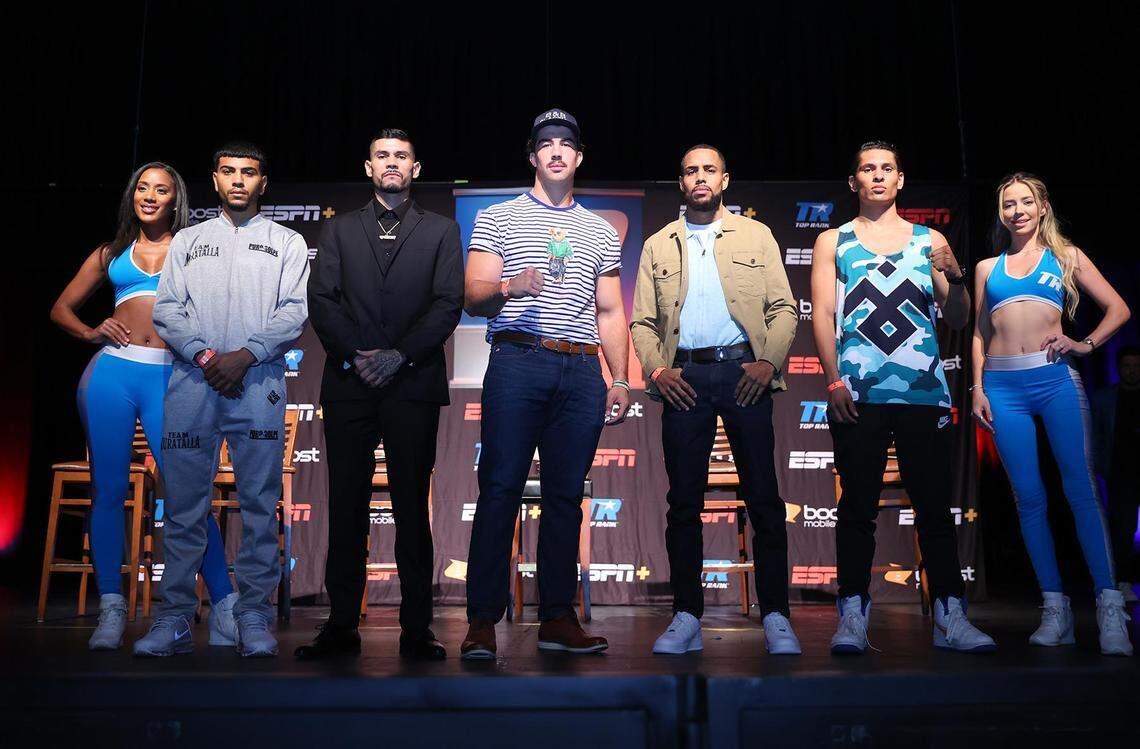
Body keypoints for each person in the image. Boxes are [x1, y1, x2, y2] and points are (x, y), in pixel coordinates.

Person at [811, 140, 995, 654]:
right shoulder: (834, 240)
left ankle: (950, 616)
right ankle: (852, 614)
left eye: (886, 168)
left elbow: (957, 317)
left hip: (923, 393)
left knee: (935, 510)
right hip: (858, 392)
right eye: (867, 168)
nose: (876, 176)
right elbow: (823, 315)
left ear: (900, 179)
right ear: (854, 182)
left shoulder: (928, 239)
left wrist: (956, 277)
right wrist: (833, 379)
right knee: (857, 511)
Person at [460, 109, 630, 659]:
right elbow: (474, 296)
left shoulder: (601, 229)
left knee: (564, 498)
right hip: (518, 362)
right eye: (546, 144)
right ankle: (483, 623)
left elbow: (609, 310)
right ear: (533, 156)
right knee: (501, 490)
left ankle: (557, 617)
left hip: (581, 370)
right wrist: (513, 284)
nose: (556, 152)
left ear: (578, 157)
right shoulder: (498, 218)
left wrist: (620, 378)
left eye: (566, 145)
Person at [50, 163, 237, 651]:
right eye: (141, 188)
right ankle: (111, 609)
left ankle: (225, 606)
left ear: (176, 199)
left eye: (161, 189)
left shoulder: (194, 246)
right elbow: (60, 308)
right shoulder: (111, 253)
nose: (149, 195)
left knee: (187, 495)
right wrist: (92, 332)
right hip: (112, 374)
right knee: (108, 491)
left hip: (171, 376)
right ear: (132, 196)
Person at [133, 143, 310, 657]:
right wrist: (208, 357)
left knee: (259, 506)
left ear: (263, 182)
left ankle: (252, 617)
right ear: (215, 180)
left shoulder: (288, 242)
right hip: (194, 383)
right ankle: (175, 620)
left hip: (258, 385)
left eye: (249, 173)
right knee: (185, 509)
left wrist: (245, 355)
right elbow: (167, 311)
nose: (238, 181)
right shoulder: (188, 240)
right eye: (229, 172)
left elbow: (293, 313)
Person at [297, 129, 463, 660]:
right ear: (368, 168)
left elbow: (447, 303)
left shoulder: (441, 231)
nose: (392, 163)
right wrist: (359, 356)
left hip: (412, 384)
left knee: (412, 507)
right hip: (350, 384)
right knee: (345, 506)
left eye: (402, 156)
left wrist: (399, 357)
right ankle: (341, 625)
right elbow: (322, 300)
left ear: (416, 168)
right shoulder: (340, 230)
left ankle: (418, 630)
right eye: (382, 156)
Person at [630, 145, 800, 655]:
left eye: (708, 169)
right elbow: (640, 322)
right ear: (680, 182)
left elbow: (784, 307)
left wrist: (768, 362)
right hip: (684, 376)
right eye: (689, 171)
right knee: (683, 502)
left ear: (724, 178)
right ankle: (686, 616)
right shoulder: (660, 244)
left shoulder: (756, 234)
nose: (699, 178)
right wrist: (658, 370)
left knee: (764, 499)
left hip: (745, 372)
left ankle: (775, 615)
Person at [971, 172, 1133, 655]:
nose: (1016, 210)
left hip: (1055, 380)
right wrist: (977, 387)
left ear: (1042, 207)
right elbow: (979, 333)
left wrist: (1083, 344)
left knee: (1080, 490)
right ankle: (1055, 608)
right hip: (1002, 386)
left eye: (1025, 202)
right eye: (1007, 204)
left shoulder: (1066, 257)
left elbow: (1119, 309)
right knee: (1028, 498)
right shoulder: (986, 267)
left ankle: (1109, 609)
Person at [1092, 345, 1140, 603]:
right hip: (1121, 472)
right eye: (1127, 366)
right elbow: (1096, 436)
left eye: (1136, 366)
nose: (1131, 371)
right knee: (1123, 529)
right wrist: (1101, 467)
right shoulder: (1105, 399)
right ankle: (1122, 581)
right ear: (1120, 368)